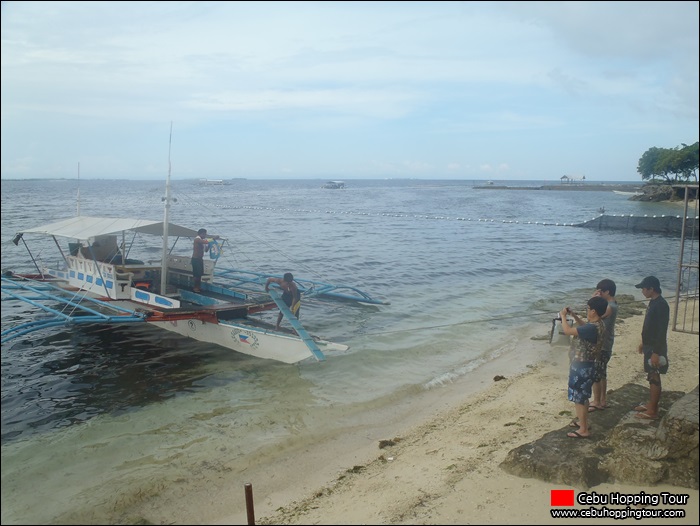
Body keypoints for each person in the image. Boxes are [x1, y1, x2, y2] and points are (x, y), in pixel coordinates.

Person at [559, 295, 608, 438]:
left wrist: (563, 316)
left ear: (593, 311)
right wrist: (573, 315)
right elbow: (583, 326)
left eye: (588, 308)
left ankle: (584, 429)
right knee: (583, 396)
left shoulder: (592, 328)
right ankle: (583, 423)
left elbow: (568, 331)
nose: (587, 311)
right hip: (589, 365)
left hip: (582, 366)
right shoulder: (599, 324)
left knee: (579, 398)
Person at [634, 276, 669, 420]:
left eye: (643, 288)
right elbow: (649, 326)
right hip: (649, 345)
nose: (642, 291)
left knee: (654, 376)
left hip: (656, 347)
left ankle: (653, 411)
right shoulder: (653, 302)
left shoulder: (661, 305)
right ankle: (651, 404)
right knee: (650, 375)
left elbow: (661, 331)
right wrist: (643, 341)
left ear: (651, 289)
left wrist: (656, 352)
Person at [588, 279, 619, 412]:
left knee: (597, 375)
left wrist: (593, 300)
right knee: (602, 373)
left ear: (607, 291)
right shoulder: (612, 304)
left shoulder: (610, 306)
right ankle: (602, 400)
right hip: (607, 342)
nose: (599, 293)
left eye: (601, 291)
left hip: (603, 345)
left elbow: (592, 317)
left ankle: (597, 402)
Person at [192, 228, 219, 292]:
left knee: (200, 274)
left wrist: (210, 245)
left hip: (200, 259)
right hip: (195, 259)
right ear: (200, 234)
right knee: (197, 274)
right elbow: (205, 241)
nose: (205, 236)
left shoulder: (202, 241)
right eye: (204, 234)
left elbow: (206, 250)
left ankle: (198, 287)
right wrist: (213, 239)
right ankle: (195, 287)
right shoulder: (197, 239)